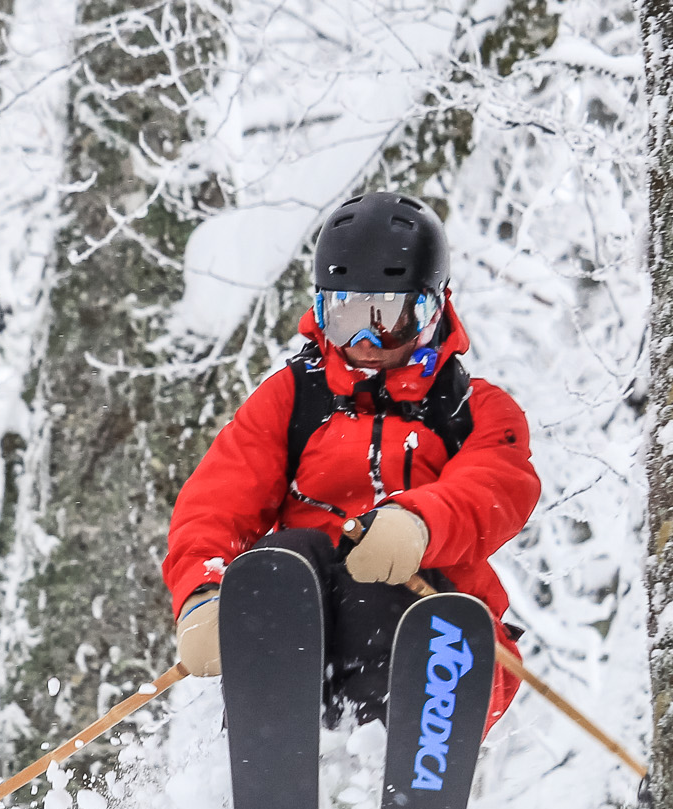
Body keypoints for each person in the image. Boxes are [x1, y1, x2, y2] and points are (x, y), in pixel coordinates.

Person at [161, 191, 540, 727]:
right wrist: (202, 592)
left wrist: (418, 525)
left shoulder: (475, 410)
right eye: (345, 315)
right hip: (308, 628)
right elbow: (219, 498)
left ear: (431, 309)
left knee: (379, 590)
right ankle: (273, 760)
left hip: (444, 630)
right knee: (288, 559)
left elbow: (497, 487)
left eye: (387, 317)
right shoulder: (294, 398)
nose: (366, 339)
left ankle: (388, 756)